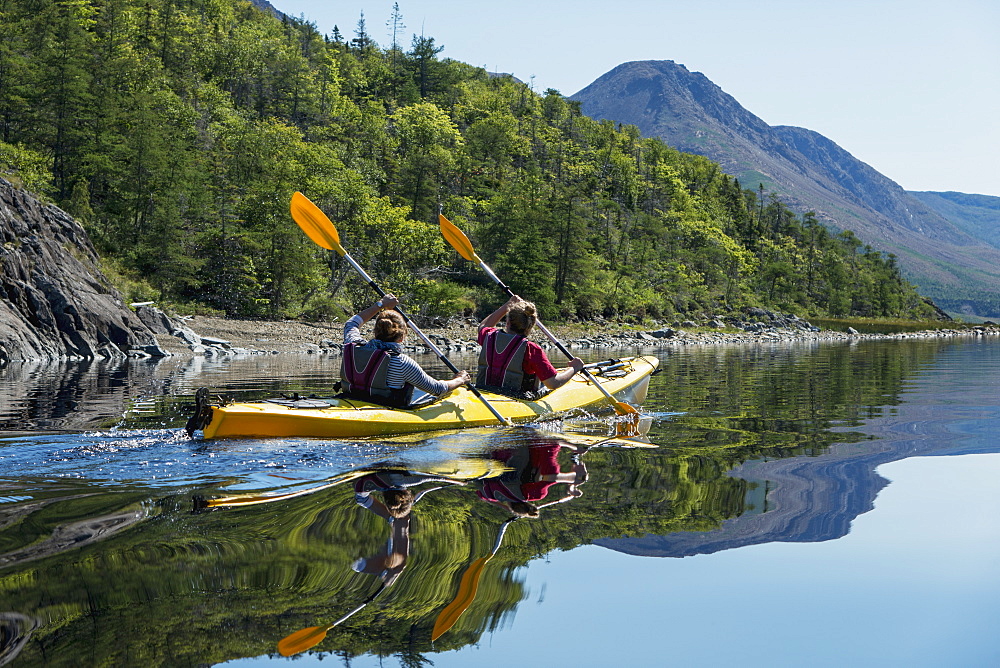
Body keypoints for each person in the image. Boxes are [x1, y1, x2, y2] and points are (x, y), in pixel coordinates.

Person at [342, 294, 470, 408]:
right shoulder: (401, 362)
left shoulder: (354, 346)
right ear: (402, 337)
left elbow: (351, 324)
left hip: (352, 399)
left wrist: (380, 305)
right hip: (385, 409)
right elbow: (436, 389)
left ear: (375, 332)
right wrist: (460, 380)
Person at [476, 295, 584, 397]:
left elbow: (484, 325)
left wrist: (507, 305)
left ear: (507, 322)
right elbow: (553, 383)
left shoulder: (488, 336)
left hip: (484, 391)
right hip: (516, 399)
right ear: (530, 326)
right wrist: (574, 368)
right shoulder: (531, 349)